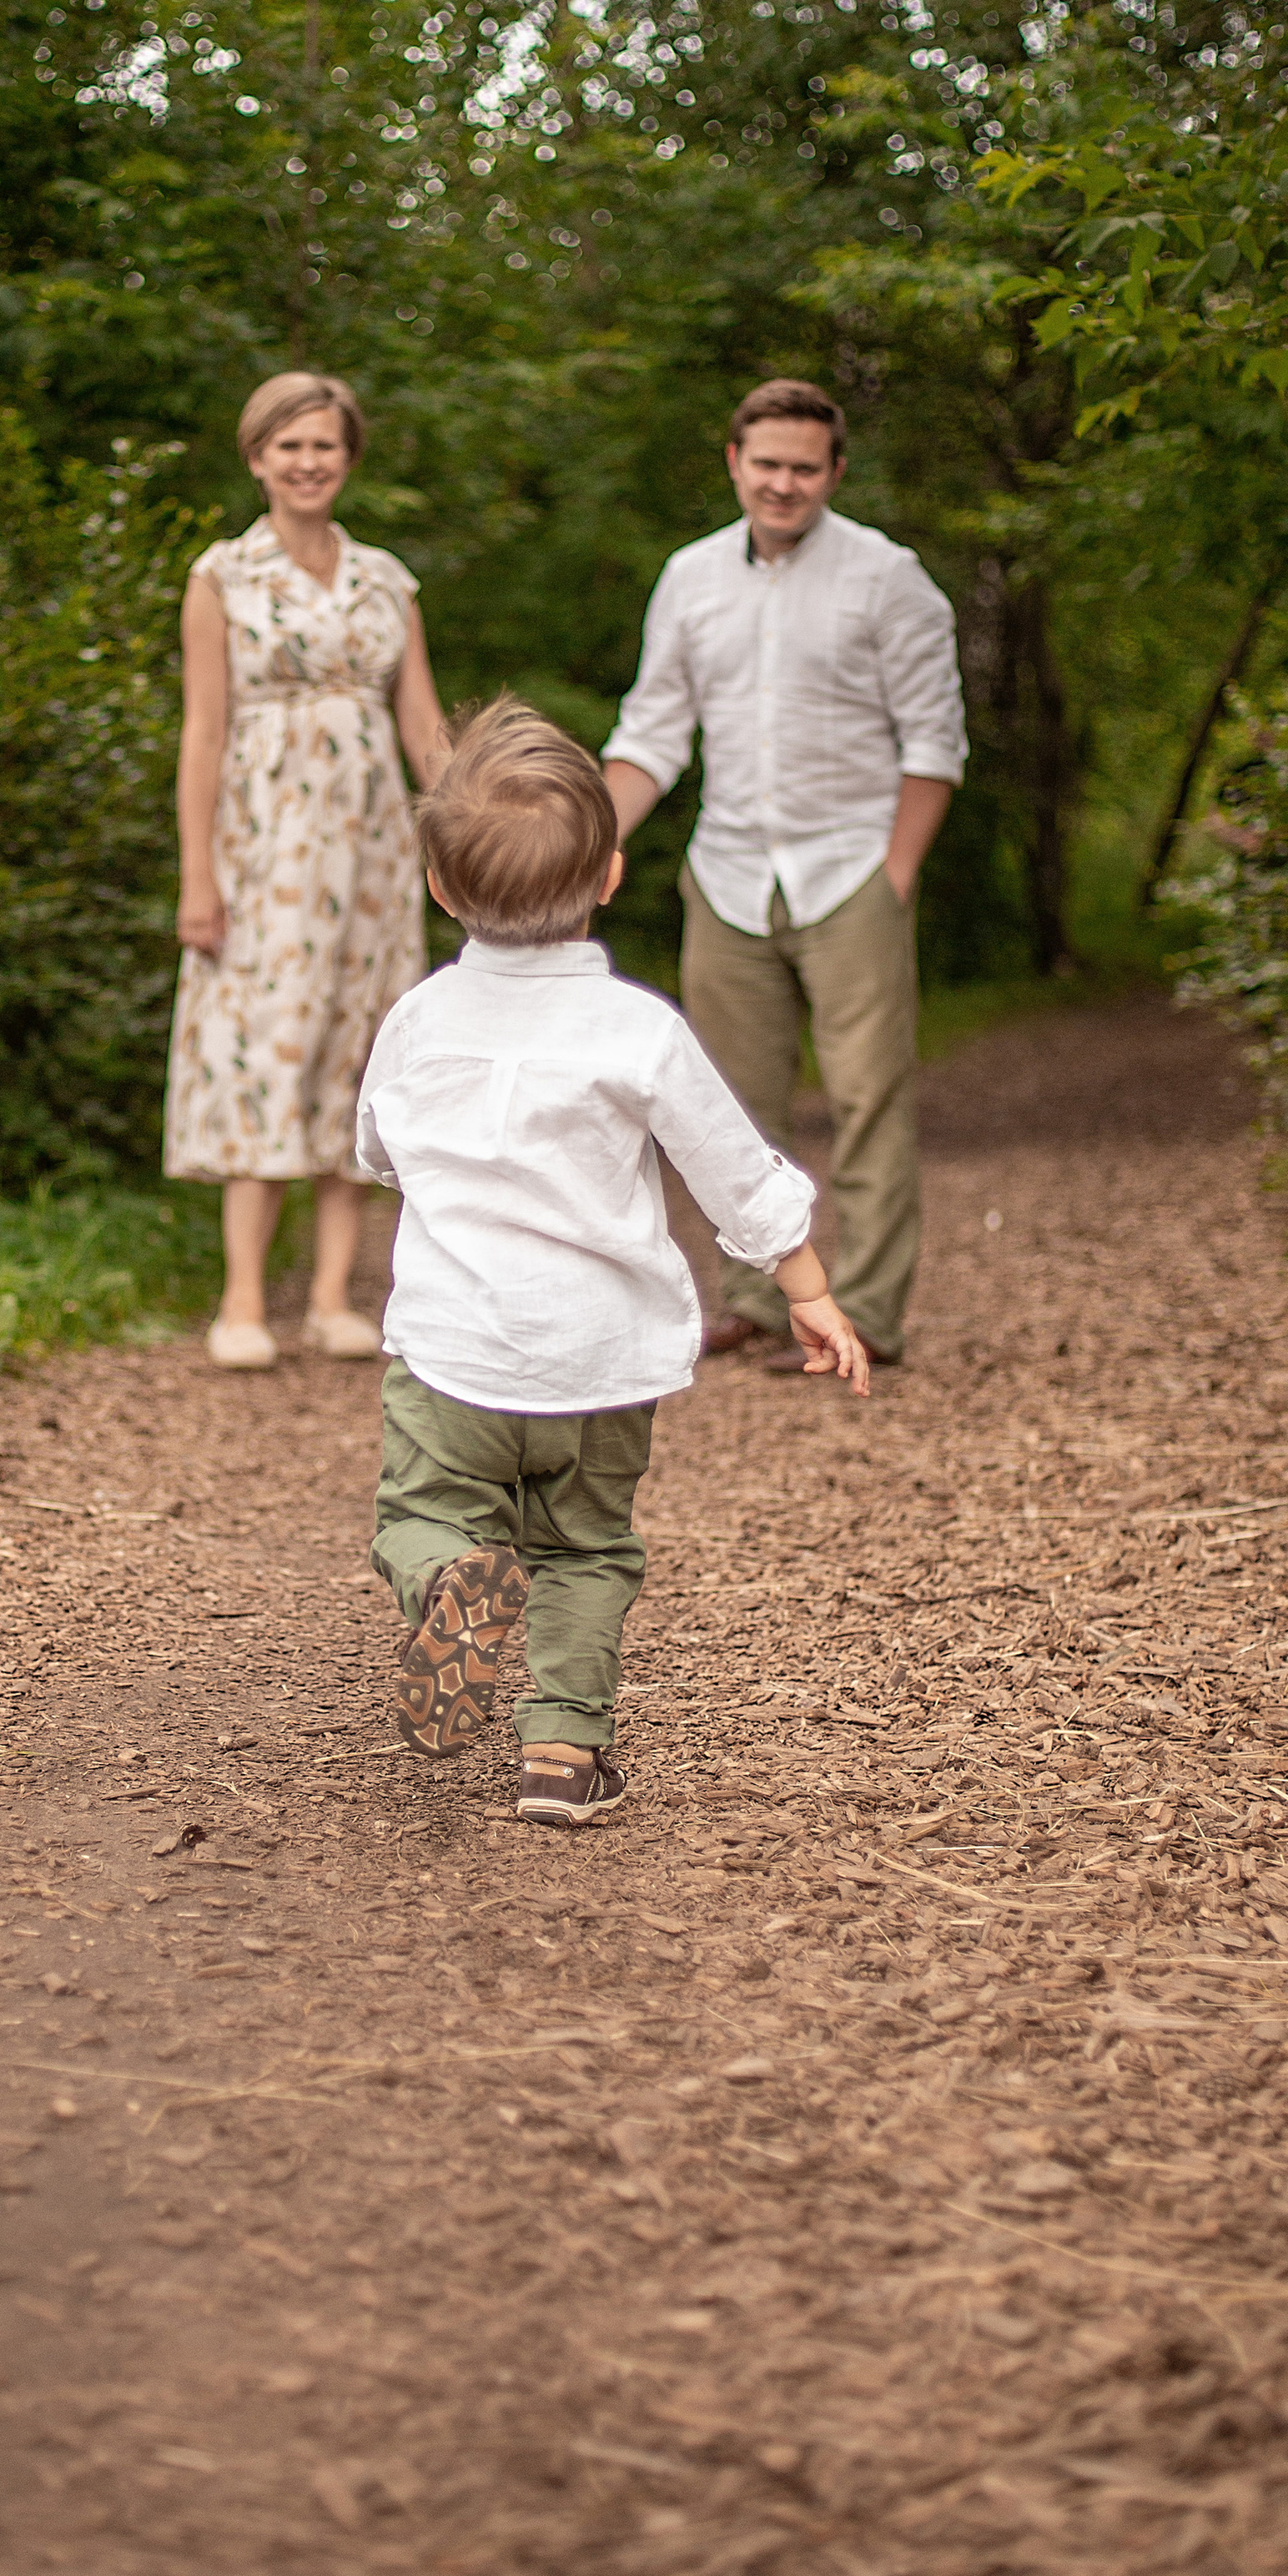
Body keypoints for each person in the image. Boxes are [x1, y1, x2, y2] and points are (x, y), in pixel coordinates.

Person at [356, 698, 867, 1828]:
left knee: (423, 1513)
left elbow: (377, 1147)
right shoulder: (638, 1030)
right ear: (610, 876)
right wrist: (809, 1291)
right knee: (587, 1547)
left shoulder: (419, 1020)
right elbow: (732, 1168)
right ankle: (562, 1756)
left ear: (441, 888)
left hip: (454, 1354)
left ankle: (451, 1582)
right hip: (601, 1358)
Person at [601, 376, 966, 1369]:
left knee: (867, 1100)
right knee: (726, 1102)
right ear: (734, 463)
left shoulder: (889, 578)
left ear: (835, 472)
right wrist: (593, 835)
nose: (783, 483)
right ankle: (756, 1305)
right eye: (766, 464)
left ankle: (875, 1319)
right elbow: (653, 729)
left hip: (850, 873)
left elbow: (934, 745)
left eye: (805, 468)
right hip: (724, 877)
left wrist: (895, 875)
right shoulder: (688, 578)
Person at [164, 371, 449, 1371]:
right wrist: (198, 877)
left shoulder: (386, 580)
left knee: (358, 1049)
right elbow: (202, 734)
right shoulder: (222, 577)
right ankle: (243, 1299)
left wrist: (475, 847)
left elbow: (421, 725)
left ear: (348, 457)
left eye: (324, 444)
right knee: (262, 1048)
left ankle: (333, 1297)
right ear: (256, 457)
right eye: (288, 445)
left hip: (371, 855)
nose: (307, 461)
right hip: (263, 847)